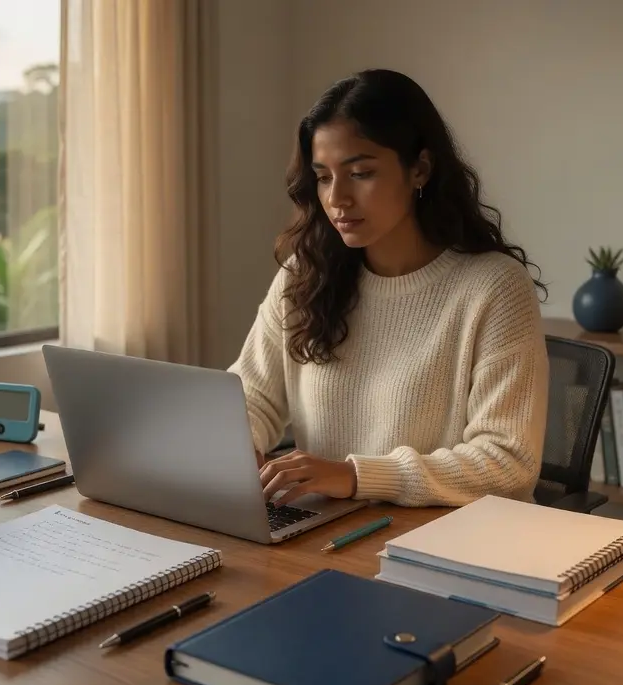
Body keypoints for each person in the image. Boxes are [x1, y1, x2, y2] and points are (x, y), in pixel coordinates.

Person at [232, 69, 549, 510]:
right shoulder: (306, 273)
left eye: (360, 173)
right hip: (331, 527)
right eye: (323, 177)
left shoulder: (492, 287)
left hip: (448, 541)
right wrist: (234, 446)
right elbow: (252, 395)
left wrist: (355, 476)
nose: (337, 198)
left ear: (419, 168)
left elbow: (508, 460)